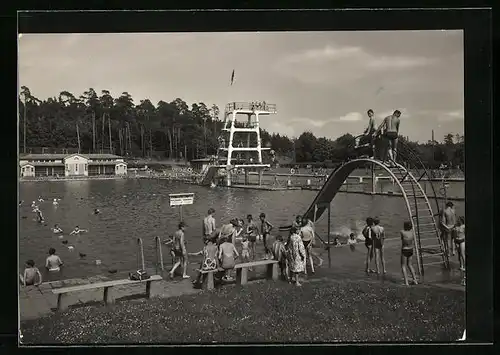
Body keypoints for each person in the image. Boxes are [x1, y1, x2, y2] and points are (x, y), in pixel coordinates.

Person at [400, 221, 418, 286]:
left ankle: (406, 282)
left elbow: (402, 239)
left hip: (405, 249)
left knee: (403, 265)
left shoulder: (402, 232)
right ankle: (415, 280)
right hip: (411, 249)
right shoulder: (412, 232)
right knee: (410, 265)